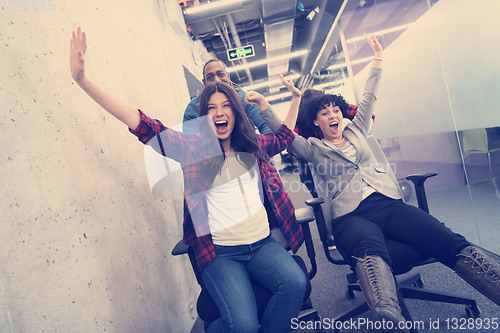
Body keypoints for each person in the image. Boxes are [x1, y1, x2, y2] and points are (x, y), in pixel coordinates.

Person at [70, 27, 306, 333]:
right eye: (211, 109)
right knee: (244, 325)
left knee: (296, 283)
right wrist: (83, 80)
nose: (219, 114)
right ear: (204, 117)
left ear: (235, 113)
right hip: (222, 254)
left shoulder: (254, 145)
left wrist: (296, 98)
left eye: (225, 107)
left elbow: (285, 136)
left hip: (262, 245)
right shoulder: (193, 149)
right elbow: (142, 124)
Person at [258, 33, 500, 328]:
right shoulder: (313, 148)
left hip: (388, 203)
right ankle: (388, 314)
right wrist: (269, 105)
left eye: (335, 110)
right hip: (351, 216)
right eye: (325, 113)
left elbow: (369, 95)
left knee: (443, 236)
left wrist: (378, 58)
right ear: (316, 122)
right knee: (368, 246)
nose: (333, 115)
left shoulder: (357, 129)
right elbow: (283, 134)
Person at [183, 59, 272, 135]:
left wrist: (260, 147)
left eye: (220, 74)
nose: (217, 80)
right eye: (210, 77)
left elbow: (266, 126)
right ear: (204, 82)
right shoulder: (195, 106)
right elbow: (188, 140)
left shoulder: (244, 98)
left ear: (228, 77)